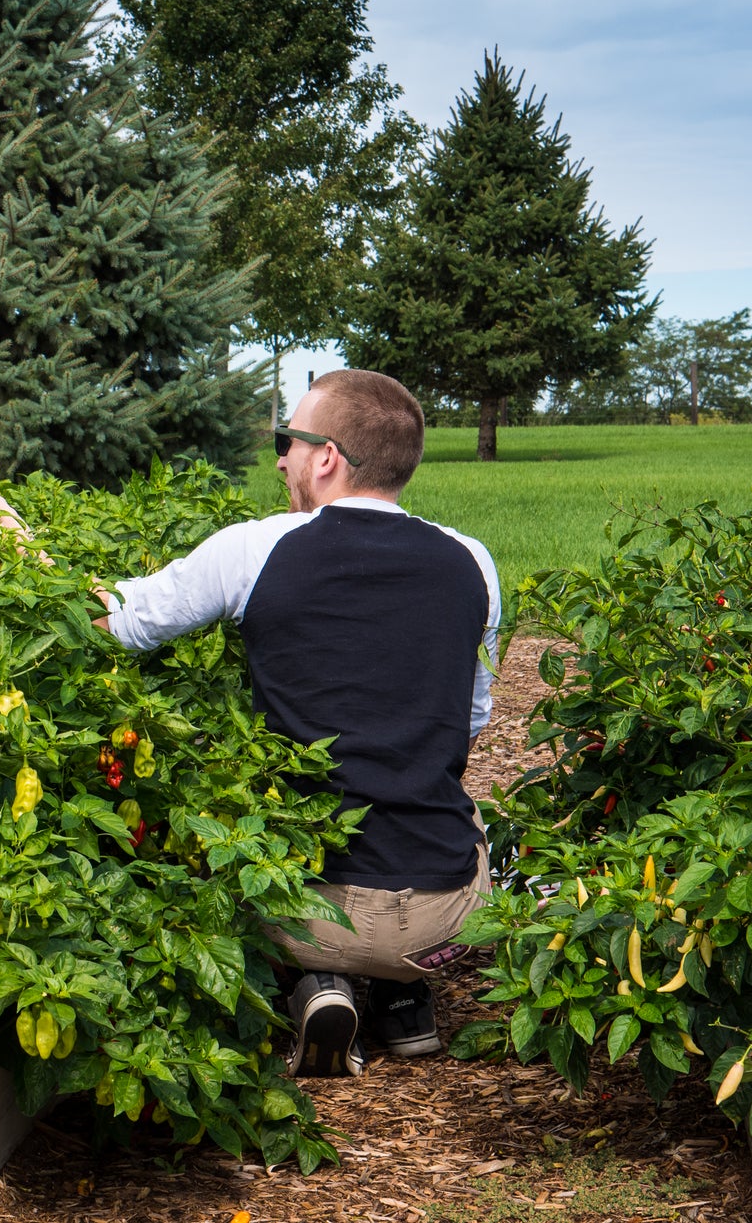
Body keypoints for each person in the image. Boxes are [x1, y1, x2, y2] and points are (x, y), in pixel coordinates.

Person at [96, 369, 500, 1077]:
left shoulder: (255, 548)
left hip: (298, 909)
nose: (280, 457)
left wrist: (10, 538)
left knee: (213, 834)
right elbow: (468, 728)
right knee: (462, 817)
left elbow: (116, 623)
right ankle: (403, 993)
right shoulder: (472, 561)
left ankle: (315, 980)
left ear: (326, 457)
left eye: (288, 440)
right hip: (445, 921)